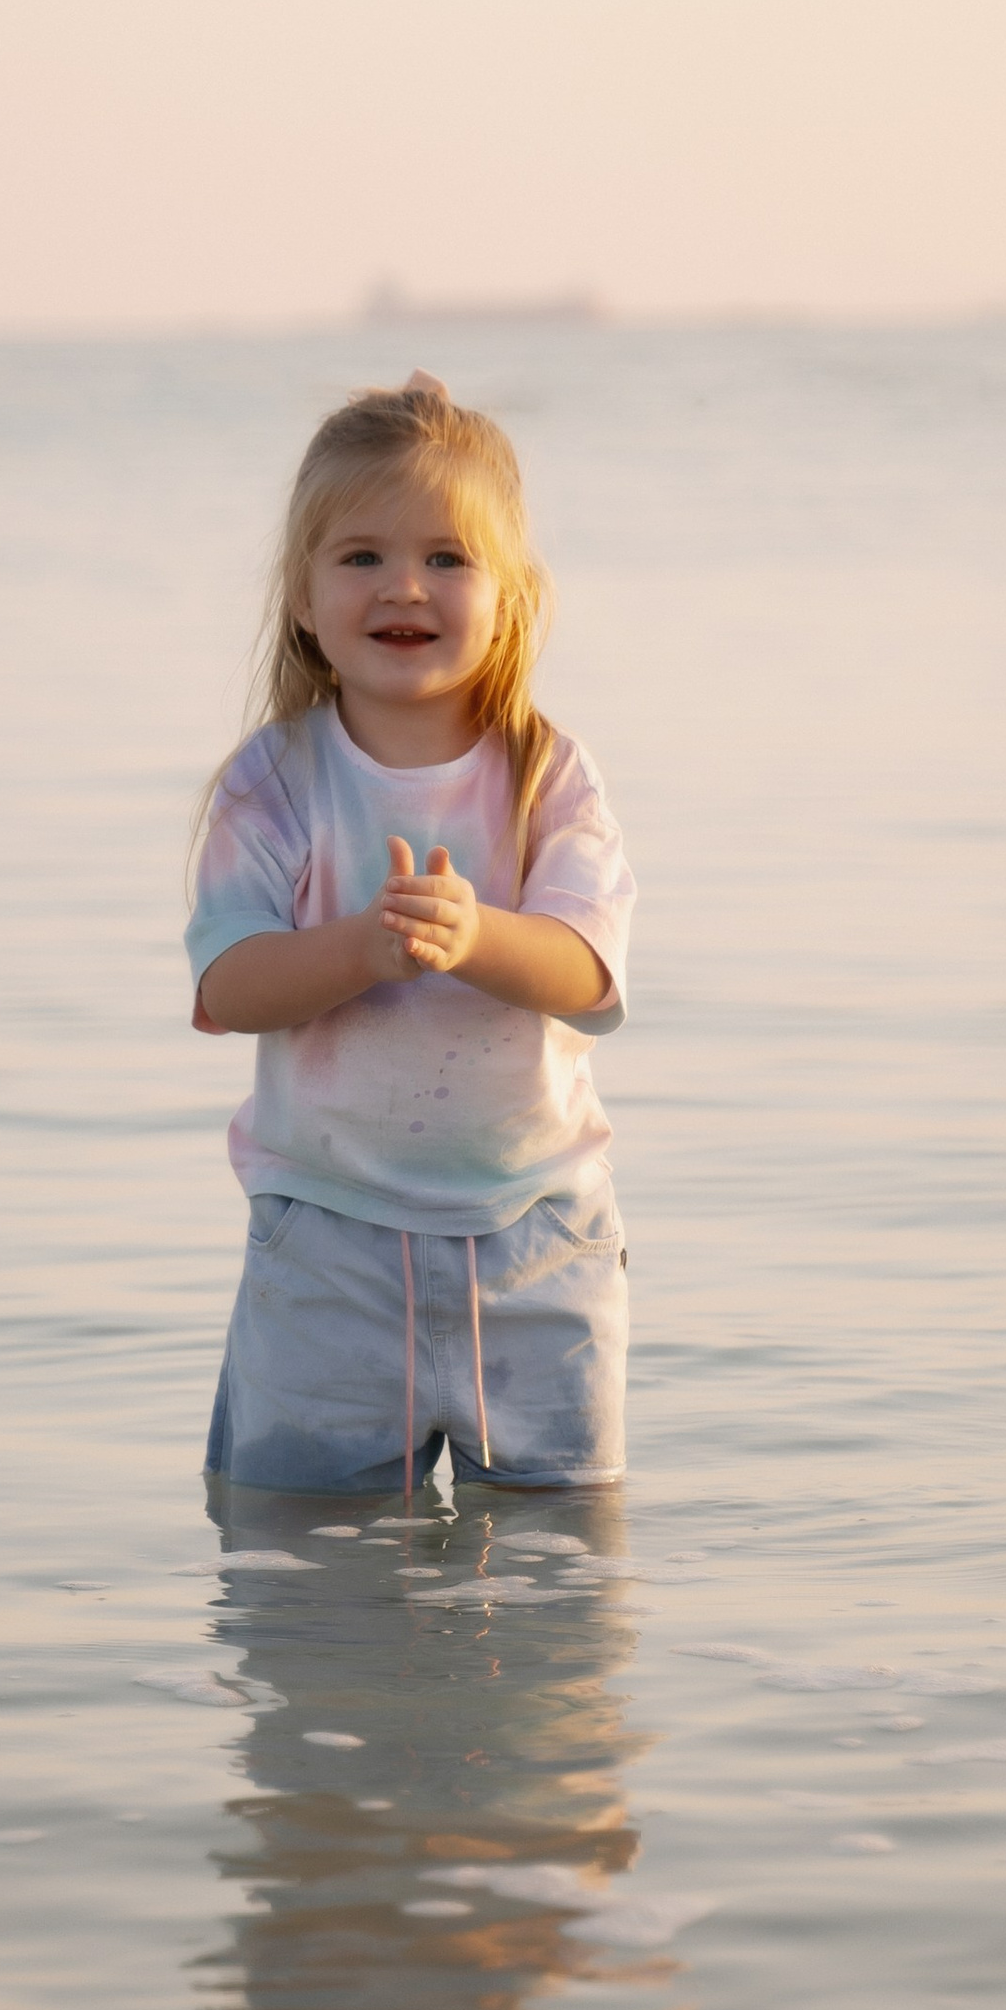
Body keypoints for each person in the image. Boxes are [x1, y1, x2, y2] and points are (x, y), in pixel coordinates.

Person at [188, 372, 636, 1497]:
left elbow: (586, 976)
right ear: (301, 594)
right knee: (300, 1577)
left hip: (535, 1236)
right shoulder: (272, 781)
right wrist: (366, 950)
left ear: (510, 595)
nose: (404, 585)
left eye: (446, 557)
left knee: (559, 1598)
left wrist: (474, 936)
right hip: (327, 1244)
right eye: (360, 557)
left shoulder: (546, 775)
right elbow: (231, 982)